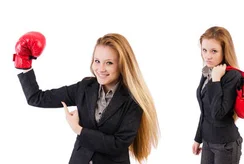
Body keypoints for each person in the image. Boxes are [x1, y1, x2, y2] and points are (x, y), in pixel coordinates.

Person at [15, 33, 160, 164]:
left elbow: (117, 145)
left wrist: (79, 129)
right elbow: (37, 98)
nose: (100, 68)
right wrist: (23, 63)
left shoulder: (133, 100)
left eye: (109, 63)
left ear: (122, 65)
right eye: (97, 61)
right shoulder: (84, 87)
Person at [192, 26, 244, 164]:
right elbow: (204, 111)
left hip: (226, 145)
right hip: (208, 141)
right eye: (204, 50)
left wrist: (216, 81)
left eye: (214, 51)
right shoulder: (208, 71)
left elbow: (218, 113)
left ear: (224, 51)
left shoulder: (233, 76)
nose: (208, 56)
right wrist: (198, 138)